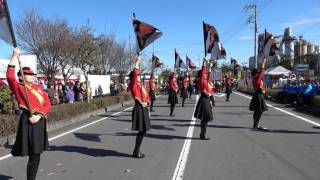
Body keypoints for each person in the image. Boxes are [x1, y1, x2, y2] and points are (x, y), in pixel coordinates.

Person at [6, 48, 51, 180]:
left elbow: (47, 103)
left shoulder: (39, 87)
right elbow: (9, 75)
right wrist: (14, 56)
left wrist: (39, 115)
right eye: (29, 74)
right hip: (29, 120)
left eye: (32, 74)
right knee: (34, 152)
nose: (32, 76)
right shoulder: (19, 86)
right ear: (21, 76)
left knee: (37, 154)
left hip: (40, 119)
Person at [129, 56, 151, 158]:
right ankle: (136, 151)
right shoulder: (133, 84)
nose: (139, 76)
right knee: (142, 130)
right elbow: (135, 73)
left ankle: (136, 150)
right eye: (137, 75)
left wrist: (147, 103)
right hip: (138, 108)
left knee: (143, 130)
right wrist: (137, 63)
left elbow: (147, 96)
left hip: (144, 108)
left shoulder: (141, 85)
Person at [194, 58, 214, 140]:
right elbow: (203, 71)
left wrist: (210, 67)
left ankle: (203, 134)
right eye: (204, 73)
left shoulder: (205, 80)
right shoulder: (201, 79)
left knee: (205, 118)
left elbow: (208, 75)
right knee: (205, 118)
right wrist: (204, 62)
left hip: (207, 99)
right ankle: (202, 135)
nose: (206, 74)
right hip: (204, 99)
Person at [249, 58, 268, 130]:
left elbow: (261, 73)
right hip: (259, 95)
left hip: (257, 95)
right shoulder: (257, 78)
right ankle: (256, 125)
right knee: (260, 110)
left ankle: (255, 124)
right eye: (258, 72)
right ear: (256, 73)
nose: (258, 73)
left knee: (257, 110)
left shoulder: (254, 78)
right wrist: (263, 63)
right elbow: (262, 72)